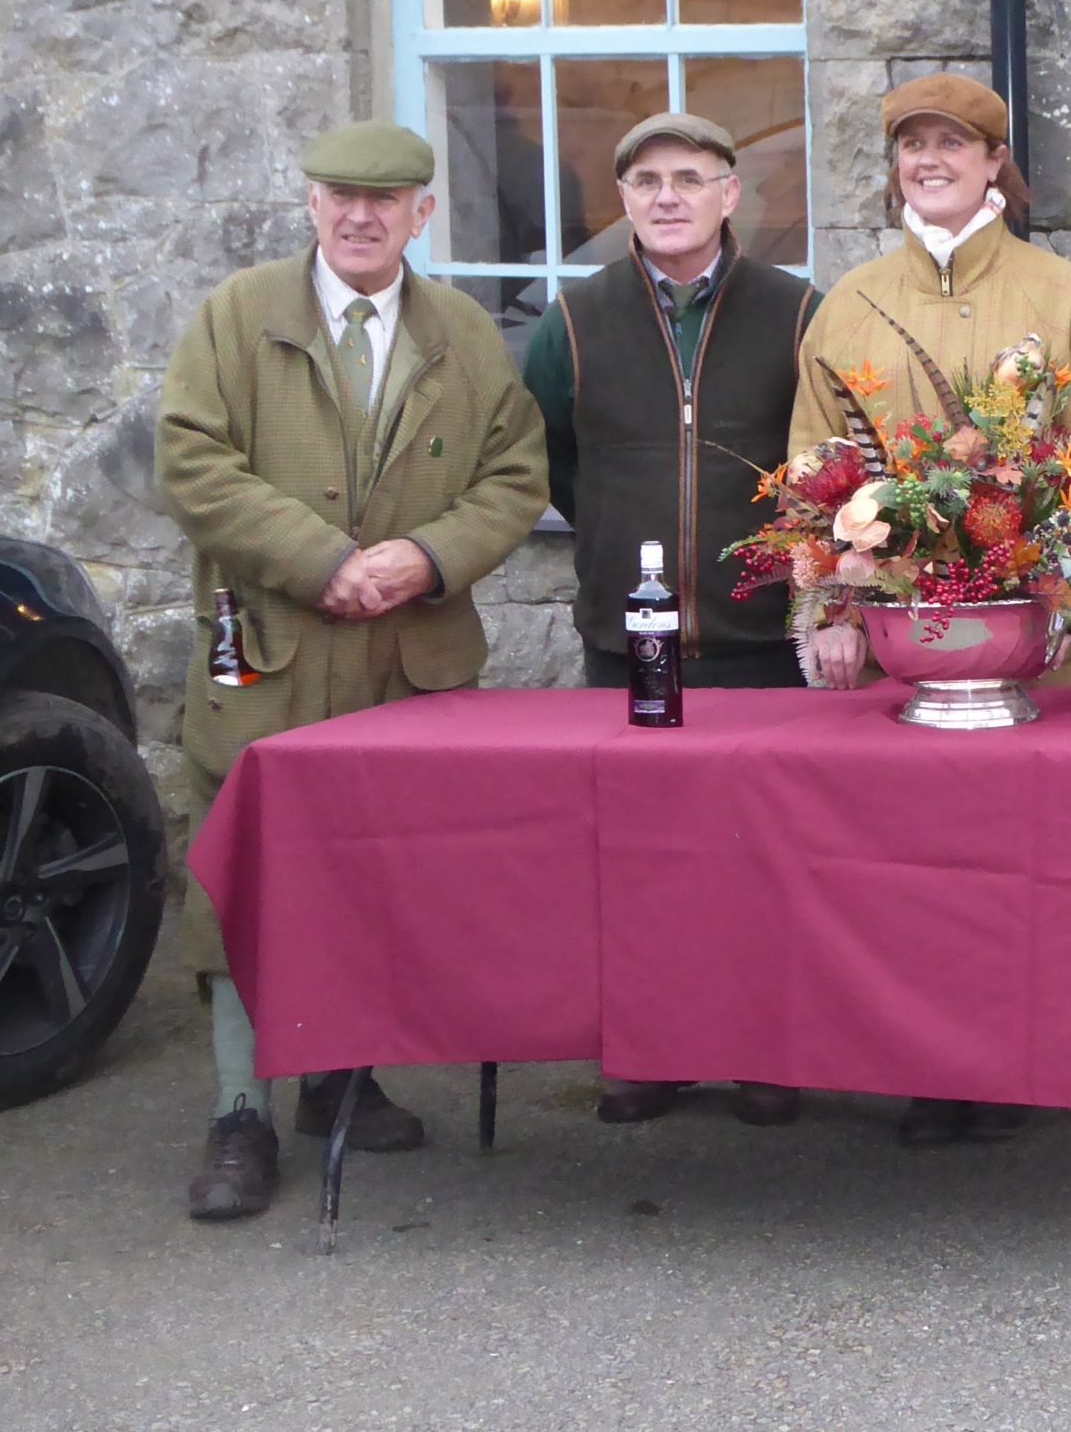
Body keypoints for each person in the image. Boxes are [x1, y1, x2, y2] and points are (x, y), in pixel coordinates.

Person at [156, 121, 548, 1220]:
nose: (360, 215)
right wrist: (321, 559)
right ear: (313, 203)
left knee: (377, 873)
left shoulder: (464, 332)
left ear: (423, 213)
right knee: (242, 872)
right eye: (339, 195)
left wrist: (424, 558)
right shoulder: (238, 318)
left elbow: (515, 477)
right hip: (268, 654)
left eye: (385, 200)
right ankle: (241, 1109)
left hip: (405, 660)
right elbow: (192, 460)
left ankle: (340, 1079)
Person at [787, 70, 1071, 1148]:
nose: (927, 161)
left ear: (994, 164)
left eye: (951, 144)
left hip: (1031, 638)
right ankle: (934, 1068)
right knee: (913, 866)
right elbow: (817, 469)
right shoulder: (850, 300)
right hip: (902, 649)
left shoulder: (1058, 290)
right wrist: (830, 613)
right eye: (909, 146)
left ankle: (1037, 1057)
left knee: (1029, 863)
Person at [522, 110, 820, 1129]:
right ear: (624, 201)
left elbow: (826, 467)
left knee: (760, 862)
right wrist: (614, 532)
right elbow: (552, 455)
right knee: (641, 863)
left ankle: (765, 1053)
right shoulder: (575, 320)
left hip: (759, 640)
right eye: (646, 180)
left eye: (689, 178)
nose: (667, 197)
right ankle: (649, 1053)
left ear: (730, 194)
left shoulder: (793, 312)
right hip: (630, 642)